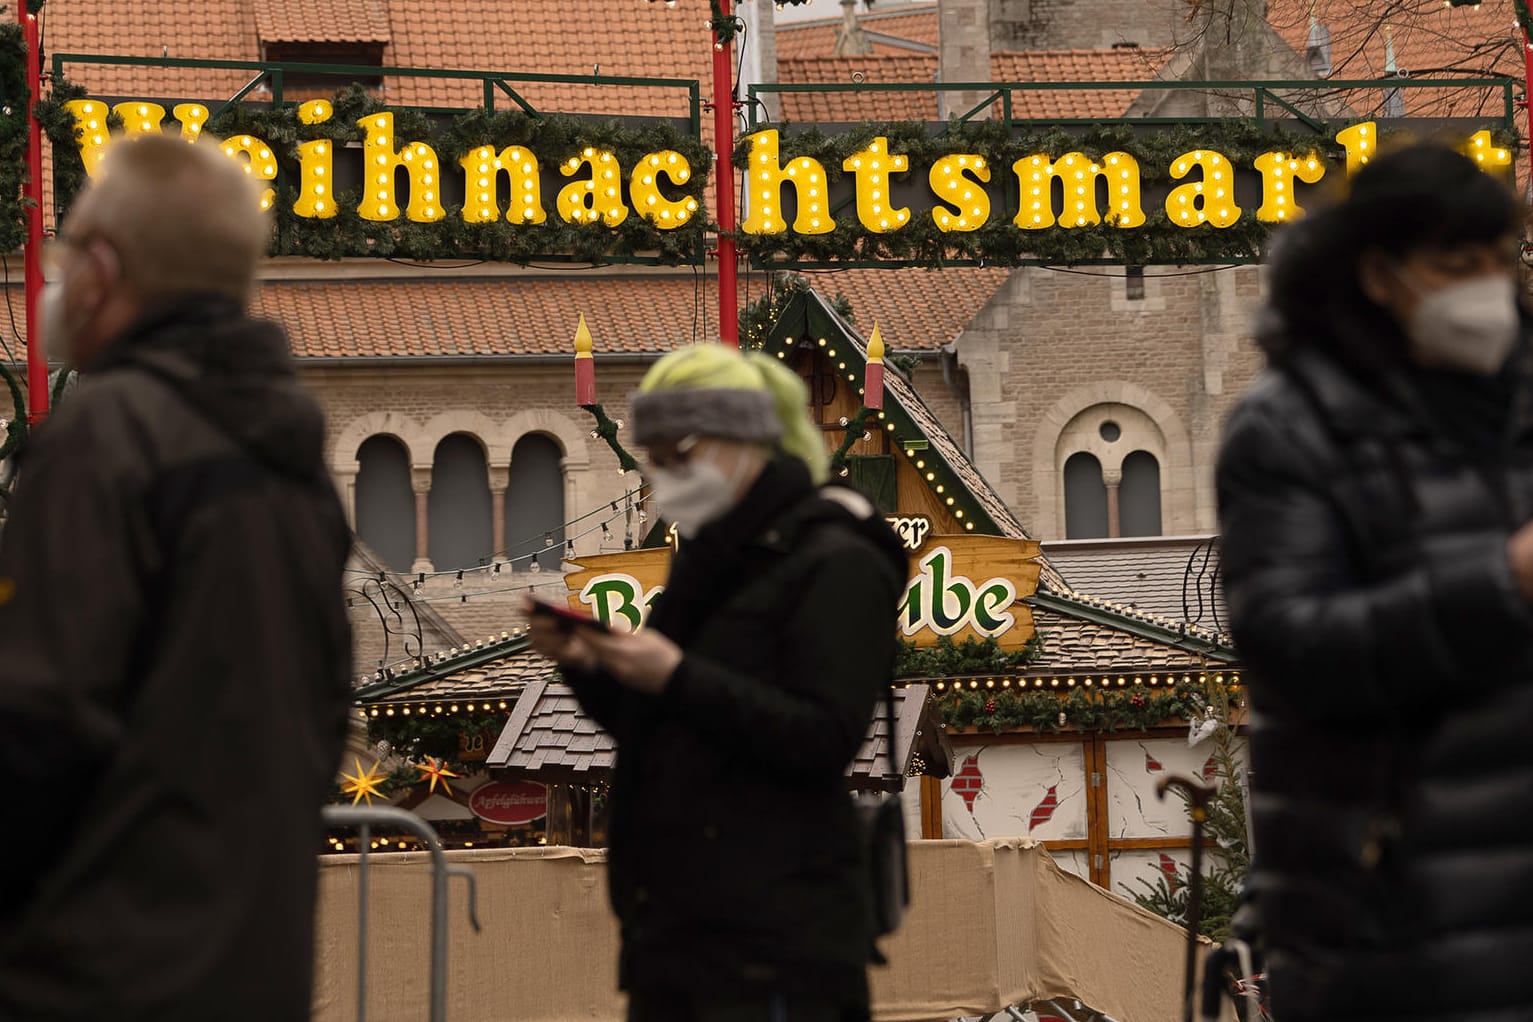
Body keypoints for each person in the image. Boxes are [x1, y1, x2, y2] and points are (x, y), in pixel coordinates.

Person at [0, 136, 352, 1018]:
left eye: (66, 249)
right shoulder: (291, 460)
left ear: (104, 269)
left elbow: (37, 723)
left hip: (96, 970)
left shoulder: (111, 434)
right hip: (247, 966)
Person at [1217, 142, 1533, 1021]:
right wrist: (1499, 583)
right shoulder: (1289, 429)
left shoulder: (1519, 400)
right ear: (1379, 275)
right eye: (1455, 266)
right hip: (1392, 915)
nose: (1487, 290)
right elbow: (1289, 642)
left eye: (1499, 261)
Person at [528, 344, 907, 1022]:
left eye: (680, 456)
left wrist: (675, 674)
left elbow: (822, 736)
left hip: (778, 949)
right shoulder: (709, 555)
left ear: (741, 441)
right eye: (655, 460)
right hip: (677, 936)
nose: (665, 477)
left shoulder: (836, 559)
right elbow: (659, 726)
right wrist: (586, 663)